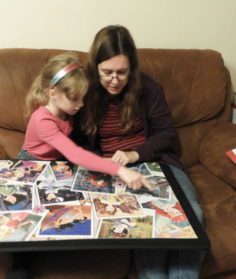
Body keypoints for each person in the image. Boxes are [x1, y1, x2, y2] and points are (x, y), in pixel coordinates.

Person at [74, 25, 205, 279]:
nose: (115, 80)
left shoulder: (148, 88)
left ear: (131, 68)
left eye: (122, 72)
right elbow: (73, 141)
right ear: (95, 67)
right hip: (110, 171)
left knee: (192, 214)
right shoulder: (84, 89)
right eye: (107, 72)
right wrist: (103, 163)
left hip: (156, 161)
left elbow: (167, 134)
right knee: (144, 217)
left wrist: (135, 154)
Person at [17, 52, 150, 189]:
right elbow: (74, 153)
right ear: (53, 94)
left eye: (82, 98)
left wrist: (106, 163)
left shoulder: (67, 110)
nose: (81, 104)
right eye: (75, 98)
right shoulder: (42, 120)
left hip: (57, 164)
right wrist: (119, 170)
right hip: (32, 164)